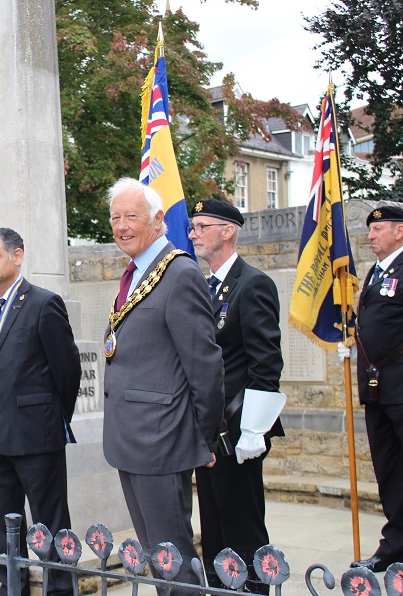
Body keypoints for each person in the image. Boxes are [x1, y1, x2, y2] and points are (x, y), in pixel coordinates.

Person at [101, 178, 224, 591]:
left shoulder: (178, 273)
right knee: (158, 558)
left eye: (131, 216)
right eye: (115, 217)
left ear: (158, 220)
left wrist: (202, 437)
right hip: (132, 437)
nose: (121, 226)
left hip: (162, 438)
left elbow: (204, 366)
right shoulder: (136, 273)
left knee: (174, 557)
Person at [0, 228, 81, 596]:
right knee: (4, 527)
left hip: (36, 437)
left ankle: (60, 589)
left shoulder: (43, 304)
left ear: (17, 256)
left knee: (49, 524)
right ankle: (11, 588)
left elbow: (67, 371)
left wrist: (49, 417)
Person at [189, 200, 286, 593]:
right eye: (193, 227)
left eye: (201, 227)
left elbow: (266, 361)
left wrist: (255, 429)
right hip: (208, 428)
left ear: (227, 231)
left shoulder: (252, 284)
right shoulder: (202, 285)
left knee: (242, 523)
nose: (193, 234)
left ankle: (253, 588)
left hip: (239, 428)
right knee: (212, 523)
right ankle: (219, 585)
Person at [346, 206, 403, 586]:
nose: (371, 235)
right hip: (378, 390)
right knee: (389, 472)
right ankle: (396, 544)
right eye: (370, 229)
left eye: (379, 228)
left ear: (400, 231)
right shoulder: (375, 274)